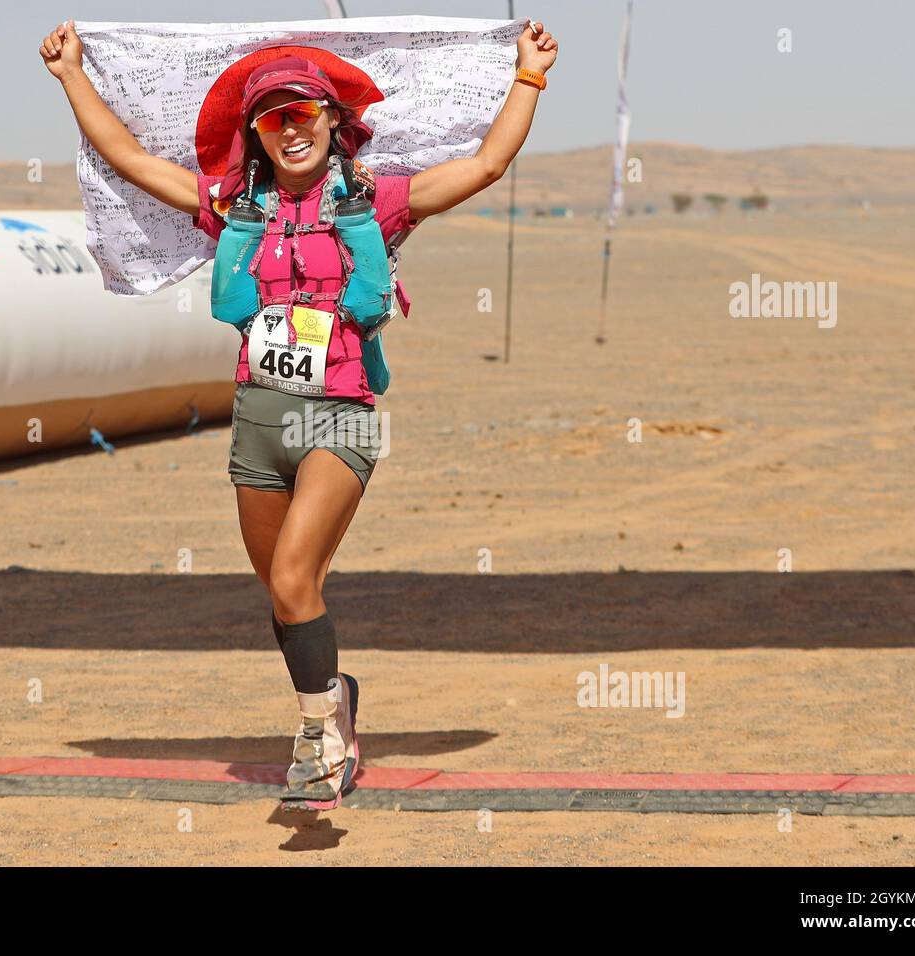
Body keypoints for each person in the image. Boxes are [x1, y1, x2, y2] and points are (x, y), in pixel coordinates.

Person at [41, 18, 557, 811]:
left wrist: (528, 77)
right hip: (257, 422)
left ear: (333, 122)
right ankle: (336, 698)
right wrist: (74, 75)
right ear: (255, 134)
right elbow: (135, 161)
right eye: (273, 118)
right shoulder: (233, 209)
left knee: (291, 576)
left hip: (342, 418)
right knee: (287, 593)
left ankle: (319, 736)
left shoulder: (374, 202)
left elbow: (486, 164)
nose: (291, 130)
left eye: (304, 113)